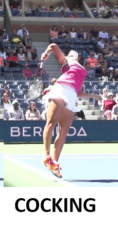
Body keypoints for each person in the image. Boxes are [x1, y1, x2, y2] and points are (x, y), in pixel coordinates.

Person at [39, 43, 101, 178]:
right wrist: (46, 54)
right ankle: (46, 156)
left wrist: (94, 96)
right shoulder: (67, 62)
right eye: (71, 54)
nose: (73, 55)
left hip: (72, 95)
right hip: (61, 89)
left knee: (64, 131)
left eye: (75, 55)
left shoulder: (83, 70)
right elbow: (53, 46)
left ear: (78, 58)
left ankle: (54, 163)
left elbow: (79, 91)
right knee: (51, 122)